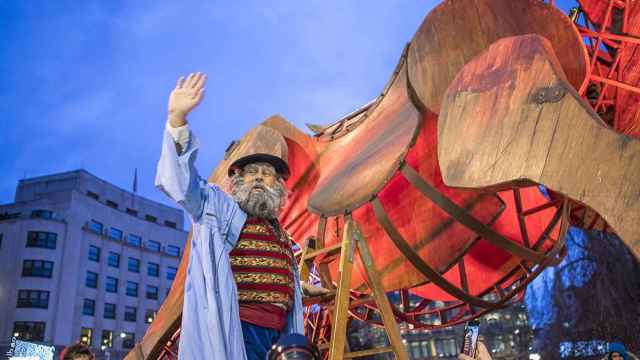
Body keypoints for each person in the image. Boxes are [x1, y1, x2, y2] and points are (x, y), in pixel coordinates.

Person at [155, 72, 327, 360]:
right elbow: (181, 185)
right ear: (237, 180)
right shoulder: (218, 209)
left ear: (279, 186)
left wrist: (297, 288)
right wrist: (177, 121)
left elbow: (265, 274)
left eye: (268, 174)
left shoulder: (278, 232)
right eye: (253, 173)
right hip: (241, 329)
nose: (260, 178)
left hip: (278, 332)